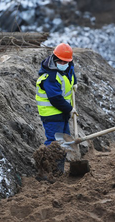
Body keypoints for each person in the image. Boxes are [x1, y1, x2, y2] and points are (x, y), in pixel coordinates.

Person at [35, 43, 78, 174]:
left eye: (66, 61)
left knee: (64, 141)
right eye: (60, 60)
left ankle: (58, 170)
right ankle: (46, 169)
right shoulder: (51, 77)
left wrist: (75, 82)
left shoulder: (67, 66)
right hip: (52, 115)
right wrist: (70, 109)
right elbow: (55, 99)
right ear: (54, 58)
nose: (63, 63)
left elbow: (71, 71)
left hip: (62, 113)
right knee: (55, 143)